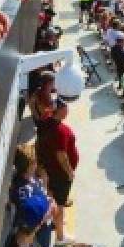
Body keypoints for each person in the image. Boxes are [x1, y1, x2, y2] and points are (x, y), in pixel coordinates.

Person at [35, 97, 77, 226]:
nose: (67, 111)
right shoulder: (60, 131)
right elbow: (62, 156)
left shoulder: (45, 120)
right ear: (59, 111)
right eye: (65, 109)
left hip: (50, 168)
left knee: (53, 191)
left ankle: (61, 201)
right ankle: (58, 225)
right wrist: (70, 172)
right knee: (59, 201)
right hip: (60, 173)